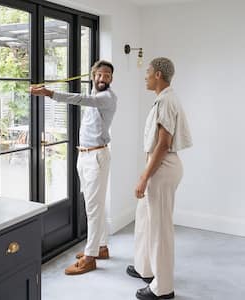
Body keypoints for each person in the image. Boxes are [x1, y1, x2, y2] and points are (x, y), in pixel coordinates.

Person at [30, 60, 117, 275]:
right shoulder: (95, 95)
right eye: (99, 75)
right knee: (92, 204)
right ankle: (101, 247)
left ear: (111, 79)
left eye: (107, 75)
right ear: (92, 76)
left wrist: (50, 93)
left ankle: (90, 258)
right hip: (85, 155)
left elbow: (79, 99)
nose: (103, 78)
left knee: (94, 208)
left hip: (97, 156)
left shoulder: (106, 98)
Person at [127, 57, 192, 300]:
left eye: (148, 71)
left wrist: (143, 178)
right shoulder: (163, 99)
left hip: (162, 168)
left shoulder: (166, 101)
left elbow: (163, 145)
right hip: (159, 167)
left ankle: (162, 288)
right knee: (144, 219)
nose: (145, 75)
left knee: (160, 228)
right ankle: (146, 268)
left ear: (158, 75)